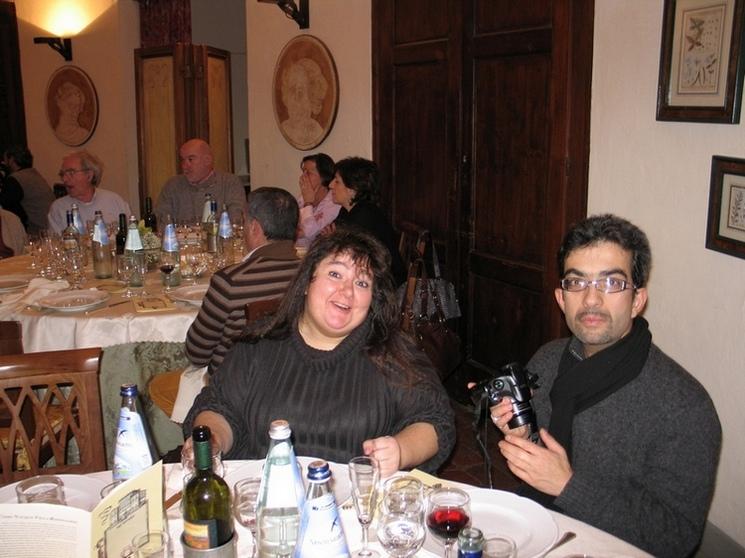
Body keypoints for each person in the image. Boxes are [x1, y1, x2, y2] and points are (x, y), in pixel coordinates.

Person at [489, 214, 721, 557]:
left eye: (611, 283)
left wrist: (567, 485)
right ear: (561, 298)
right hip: (538, 531)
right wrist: (522, 435)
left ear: (638, 300)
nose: (591, 300)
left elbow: (676, 537)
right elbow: (544, 456)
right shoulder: (548, 359)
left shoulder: (685, 406)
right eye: (576, 282)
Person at [183, 229, 455, 477]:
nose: (347, 291)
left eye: (362, 283)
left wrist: (400, 450)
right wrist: (211, 443)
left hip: (357, 505)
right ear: (306, 282)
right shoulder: (259, 345)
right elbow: (219, 408)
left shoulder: (391, 353)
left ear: (372, 299)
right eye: (335, 274)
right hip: (265, 500)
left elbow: (435, 421)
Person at [148, 187, 302, 420]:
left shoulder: (231, 281)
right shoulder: (312, 276)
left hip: (235, 395)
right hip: (293, 385)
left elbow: (197, 353)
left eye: (244, 220)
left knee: (158, 386)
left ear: (254, 227)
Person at [326, 157, 406, 285]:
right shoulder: (346, 210)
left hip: (382, 284)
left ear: (352, 188)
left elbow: (349, 254)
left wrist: (332, 240)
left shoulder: (365, 216)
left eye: (337, 181)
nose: (330, 185)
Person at [156, 139, 245, 225]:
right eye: (183, 160)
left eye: (190, 159)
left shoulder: (229, 183)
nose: (184, 166)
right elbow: (161, 220)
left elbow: (236, 220)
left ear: (207, 160)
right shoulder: (172, 186)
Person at [47, 150, 131, 234]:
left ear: (89, 175)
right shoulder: (58, 208)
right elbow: (55, 240)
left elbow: (131, 233)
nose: (65, 179)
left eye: (71, 173)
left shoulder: (114, 200)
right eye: (62, 174)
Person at [3, 146, 55, 234]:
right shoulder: (34, 174)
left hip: (37, 232)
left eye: (5, 160)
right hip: (49, 227)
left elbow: (7, 210)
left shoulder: (15, 179)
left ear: (11, 160)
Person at [279, 58, 328, 149]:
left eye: (301, 91)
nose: (296, 97)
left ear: (312, 97)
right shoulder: (283, 129)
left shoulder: (317, 132)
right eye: (292, 89)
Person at [295, 153, 340, 248]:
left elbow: (309, 232)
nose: (303, 176)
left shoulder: (334, 202)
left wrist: (308, 203)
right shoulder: (302, 198)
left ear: (324, 177)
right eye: (303, 171)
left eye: (308, 173)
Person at [53, 82, 91, 146]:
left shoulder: (83, 134)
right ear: (60, 104)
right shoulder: (56, 132)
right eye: (71, 106)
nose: (75, 112)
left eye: (78, 106)